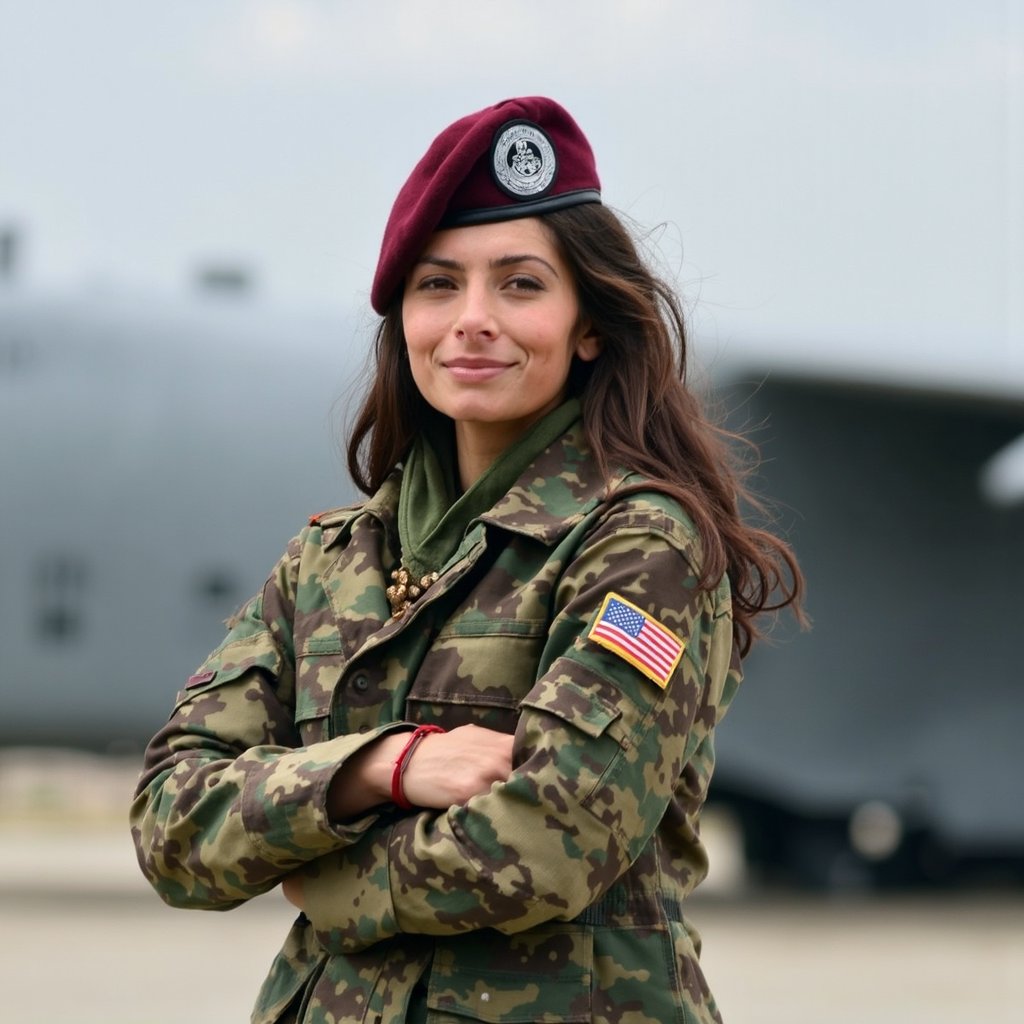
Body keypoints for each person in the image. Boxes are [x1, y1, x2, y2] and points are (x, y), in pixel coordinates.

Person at [131, 96, 803, 1024]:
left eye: (521, 285)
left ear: (591, 323)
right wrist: (380, 768)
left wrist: (328, 884)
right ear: (403, 318)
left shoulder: (639, 547)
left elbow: (550, 840)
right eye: (437, 284)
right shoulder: (330, 560)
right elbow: (171, 820)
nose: (472, 320)